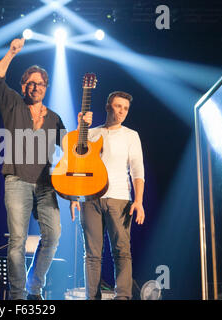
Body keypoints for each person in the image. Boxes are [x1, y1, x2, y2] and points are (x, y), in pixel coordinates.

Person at [0, 38, 66, 300]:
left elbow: (73, 150)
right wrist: (11, 52)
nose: (36, 87)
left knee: (54, 235)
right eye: (31, 82)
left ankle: (35, 287)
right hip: (16, 180)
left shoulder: (54, 118)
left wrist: (82, 125)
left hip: (46, 184)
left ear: (46, 87)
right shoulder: (13, 102)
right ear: (24, 86)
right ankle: (18, 296)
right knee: (16, 243)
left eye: (41, 83)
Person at [71, 91, 145, 300]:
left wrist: (138, 201)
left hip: (119, 198)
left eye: (125, 108)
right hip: (90, 199)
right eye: (118, 106)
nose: (122, 111)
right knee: (92, 255)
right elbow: (77, 163)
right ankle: (91, 297)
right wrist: (74, 196)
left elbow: (137, 170)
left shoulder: (131, 135)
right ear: (107, 106)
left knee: (121, 252)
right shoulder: (91, 133)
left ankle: (122, 297)